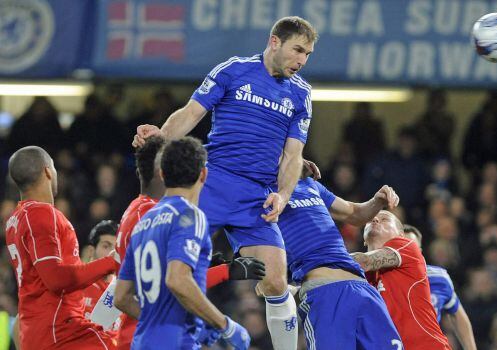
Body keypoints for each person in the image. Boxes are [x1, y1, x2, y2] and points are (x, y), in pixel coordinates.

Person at [131, 17, 317, 348]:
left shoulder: (301, 94)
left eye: (308, 54)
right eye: (298, 49)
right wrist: (159, 138)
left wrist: (284, 194)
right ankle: (100, 324)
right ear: (275, 42)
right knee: (155, 261)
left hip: (256, 198)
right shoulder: (233, 70)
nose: (302, 60)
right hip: (212, 186)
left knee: (275, 281)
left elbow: (293, 156)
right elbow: (190, 114)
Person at [91, 136, 265, 350]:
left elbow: (122, 296)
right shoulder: (190, 216)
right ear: (203, 174)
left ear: (163, 174)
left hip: (141, 342)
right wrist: (224, 324)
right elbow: (177, 280)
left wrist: (163, 321)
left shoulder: (144, 222)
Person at [5, 146, 120, 349]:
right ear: (48, 171)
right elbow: (56, 278)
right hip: (60, 331)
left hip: (39, 330)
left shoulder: (15, 219)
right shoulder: (41, 214)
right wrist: (111, 262)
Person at [273, 171, 403, 349]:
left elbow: (354, 213)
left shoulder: (309, 184)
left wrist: (376, 202)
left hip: (362, 288)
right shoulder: (258, 190)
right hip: (324, 293)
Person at [353, 211, 452, 349]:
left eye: (385, 219)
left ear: (401, 234)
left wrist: (320, 259)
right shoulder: (359, 279)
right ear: (364, 239)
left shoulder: (407, 246)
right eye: (370, 220)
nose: (375, 219)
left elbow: (365, 261)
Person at [403, 224, 477, 350]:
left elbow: (457, 314)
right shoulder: (380, 280)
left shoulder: (438, 277)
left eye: (411, 246)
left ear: (420, 251)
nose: (406, 251)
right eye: (401, 247)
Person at [82, 220, 119, 321]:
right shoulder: (77, 287)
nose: (112, 252)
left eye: (116, 248)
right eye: (106, 246)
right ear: (91, 251)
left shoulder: (122, 288)